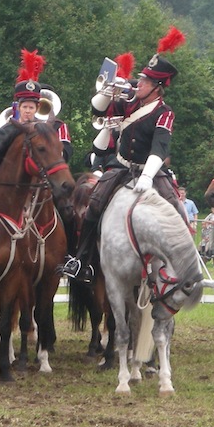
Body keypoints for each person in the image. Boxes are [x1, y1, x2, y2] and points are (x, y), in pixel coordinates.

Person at [59, 26, 187, 283]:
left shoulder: (165, 113)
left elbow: (159, 148)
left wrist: (148, 177)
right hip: (120, 166)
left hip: (149, 169)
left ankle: (183, 265)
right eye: (141, 79)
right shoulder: (128, 101)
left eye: (145, 81)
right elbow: (97, 111)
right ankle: (81, 260)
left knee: (176, 207)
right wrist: (106, 92)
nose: (139, 84)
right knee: (94, 204)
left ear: (157, 87)